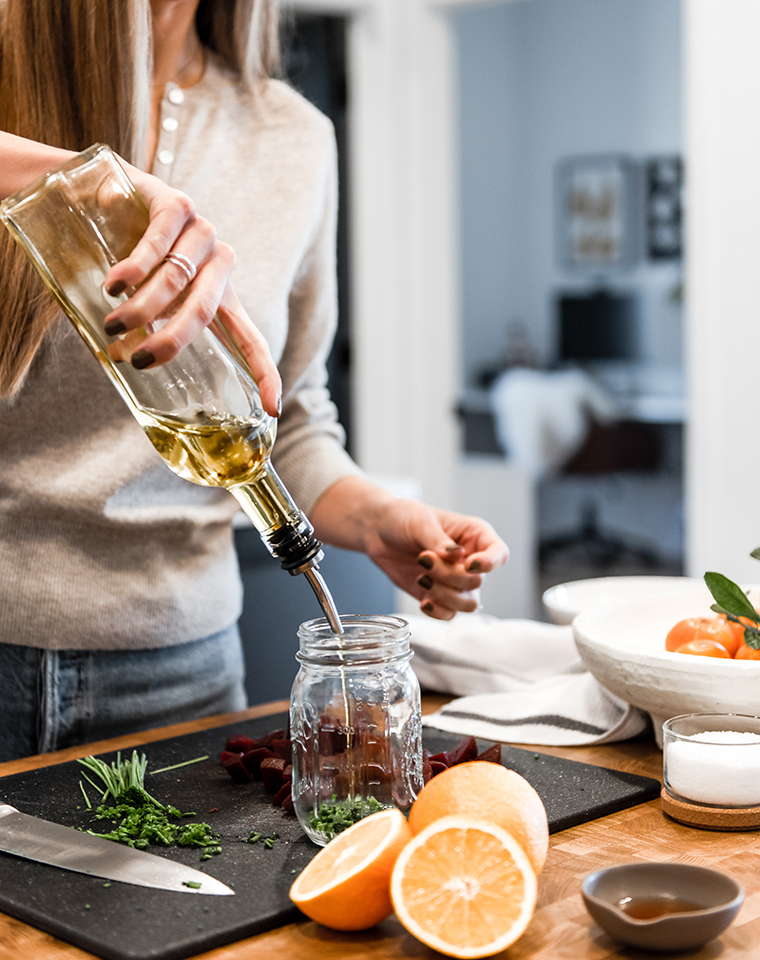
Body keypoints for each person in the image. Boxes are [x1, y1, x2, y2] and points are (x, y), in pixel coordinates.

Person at [0, 0, 508, 761]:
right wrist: (79, 182)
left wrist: (377, 518)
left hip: (182, 675)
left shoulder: (293, 138)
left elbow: (291, 414)